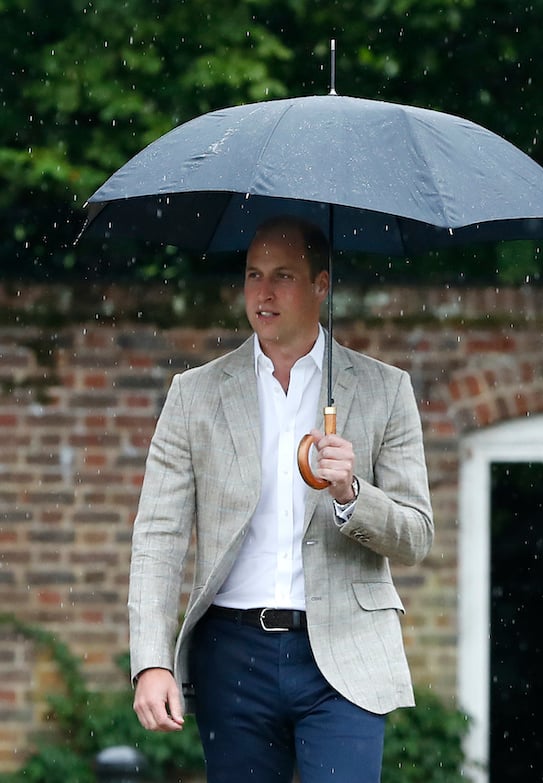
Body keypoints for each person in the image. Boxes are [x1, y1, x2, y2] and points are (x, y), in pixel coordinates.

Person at [128, 215, 434, 782]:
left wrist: (353, 493)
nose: (263, 293)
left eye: (284, 276)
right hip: (232, 655)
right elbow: (157, 538)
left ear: (322, 285)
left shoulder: (384, 390)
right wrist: (150, 661)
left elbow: (417, 535)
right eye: (253, 275)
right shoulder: (194, 395)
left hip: (345, 652)